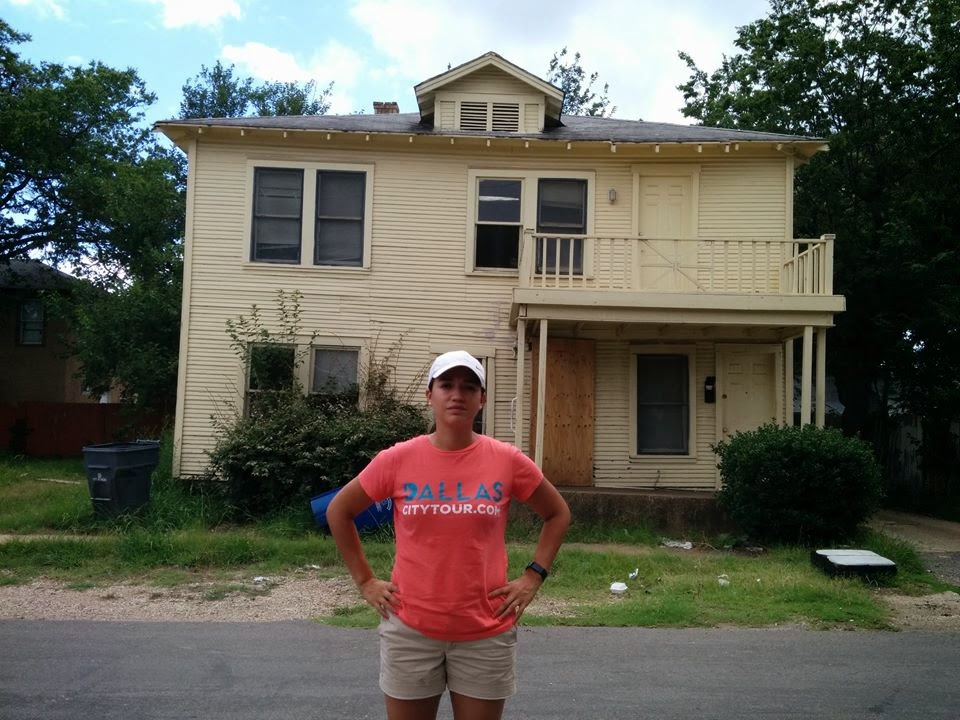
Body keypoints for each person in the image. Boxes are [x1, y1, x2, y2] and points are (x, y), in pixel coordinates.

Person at [327, 350, 571, 720]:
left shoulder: (505, 459)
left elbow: (557, 513)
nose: (457, 394)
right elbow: (339, 511)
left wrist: (532, 576)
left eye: (469, 386)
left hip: (485, 631)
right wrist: (364, 581)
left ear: (482, 399)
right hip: (410, 627)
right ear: (430, 395)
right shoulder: (397, 459)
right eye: (447, 385)